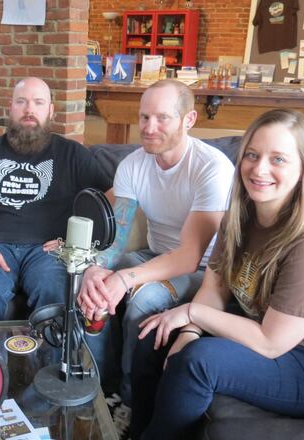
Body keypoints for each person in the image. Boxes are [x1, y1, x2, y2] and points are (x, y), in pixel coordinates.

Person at [129, 109, 304, 439]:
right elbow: (214, 288)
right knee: (156, 333)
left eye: (278, 159)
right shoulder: (239, 217)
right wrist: (189, 330)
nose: (259, 168)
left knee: (199, 361)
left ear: (303, 168)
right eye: (252, 155)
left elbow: (271, 343)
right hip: (261, 328)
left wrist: (192, 313)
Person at [77, 79, 234, 432]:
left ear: (189, 119)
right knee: (92, 288)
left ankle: (131, 402)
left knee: (144, 298)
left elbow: (190, 256)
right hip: (154, 255)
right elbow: (117, 238)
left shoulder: (212, 168)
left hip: (206, 269)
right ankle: (102, 386)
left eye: (162, 118)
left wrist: (124, 278)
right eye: (144, 117)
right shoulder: (133, 164)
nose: (149, 128)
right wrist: (95, 267)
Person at [0, 77, 112, 320]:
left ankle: (51, 360)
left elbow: (109, 203)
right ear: (10, 107)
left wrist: (78, 242)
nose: (29, 109)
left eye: (38, 102)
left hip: (49, 250)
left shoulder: (72, 154)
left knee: (57, 293)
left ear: (51, 111)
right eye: (21, 101)